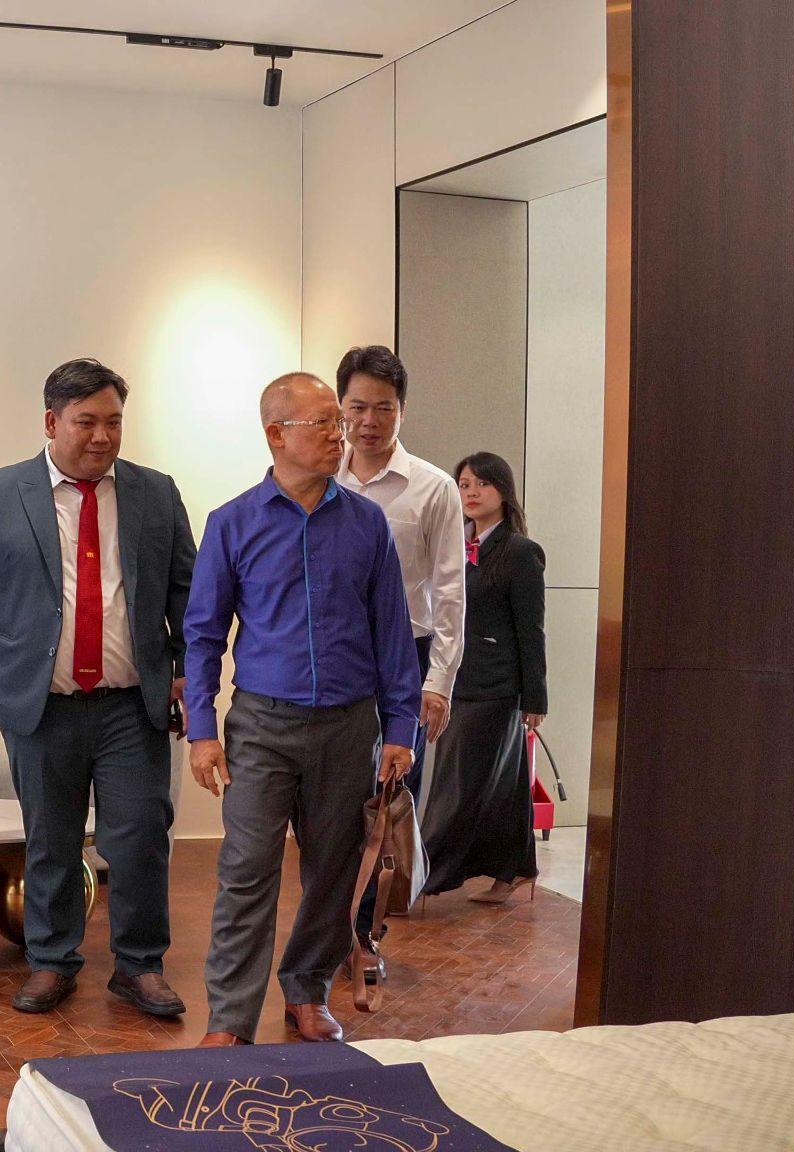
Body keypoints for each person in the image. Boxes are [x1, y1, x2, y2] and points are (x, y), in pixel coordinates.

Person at [0, 358, 197, 1018]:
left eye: (114, 422)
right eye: (86, 422)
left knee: (140, 837)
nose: (102, 436)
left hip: (131, 704)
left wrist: (188, 667)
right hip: (41, 705)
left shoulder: (155, 493)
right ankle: (52, 961)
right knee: (50, 839)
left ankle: (140, 966)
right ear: (50, 422)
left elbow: (188, 591)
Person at [182, 372, 421, 1047]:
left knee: (333, 872)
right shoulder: (232, 523)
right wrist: (202, 731)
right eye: (323, 422)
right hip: (262, 726)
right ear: (275, 435)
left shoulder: (367, 524)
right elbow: (202, 636)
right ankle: (230, 1018)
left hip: (349, 726)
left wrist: (400, 728)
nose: (339, 434)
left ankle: (307, 992)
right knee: (246, 870)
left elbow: (392, 632)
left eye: (337, 422)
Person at [332, 345, 465, 979]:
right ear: (340, 408)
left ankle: (364, 935)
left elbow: (449, 593)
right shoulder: (320, 478)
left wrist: (438, 683)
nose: (369, 421)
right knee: (331, 806)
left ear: (402, 411)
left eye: (383, 408)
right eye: (357, 406)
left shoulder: (433, 488)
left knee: (384, 803)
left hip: (404, 661)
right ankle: (326, 930)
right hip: (330, 656)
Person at [421, 452, 546, 903]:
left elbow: (531, 631)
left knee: (458, 785)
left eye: (481, 484)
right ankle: (515, 869)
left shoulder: (521, 552)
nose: (470, 492)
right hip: (456, 679)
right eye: (463, 484)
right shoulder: (455, 545)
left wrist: (535, 699)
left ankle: (423, 878)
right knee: (506, 785)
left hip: (494, 687)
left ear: (503, 491)